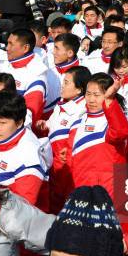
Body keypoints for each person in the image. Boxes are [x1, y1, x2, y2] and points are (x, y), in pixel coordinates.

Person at [0, 16, 48, 128]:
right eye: (7, 43)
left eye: (11, 44)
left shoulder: (37, 75)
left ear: (25, 48)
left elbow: (28, 115)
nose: (7, 48)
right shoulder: (9, 58)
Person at [67, 73, 128, 199]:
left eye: (96, 95)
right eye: (88, 94)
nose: (91, 99)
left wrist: (109, 100)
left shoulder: (113, 119)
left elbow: (120, 132)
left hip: (108, 190)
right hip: (80, 187)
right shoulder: (79, 119)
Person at [0, 91, 51, 212]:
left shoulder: (28, 154)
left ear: (19, 122)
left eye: (2, 123)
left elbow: (22, 208)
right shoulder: (5, 138)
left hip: (21, 225)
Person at [37, 66, 90, 214]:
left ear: (79, 89)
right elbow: (56, 125)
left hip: (66, 169)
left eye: (67, 83)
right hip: (54, 165)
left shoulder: (82, 111)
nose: (62, 86)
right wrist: (45, 125)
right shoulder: (62, 103)